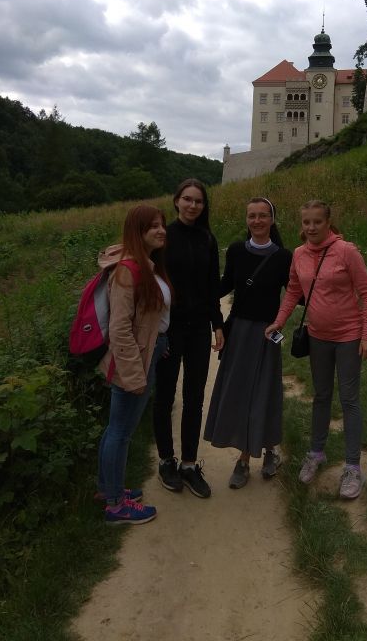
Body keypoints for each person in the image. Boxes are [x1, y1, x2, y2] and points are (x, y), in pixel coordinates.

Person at [265, 200, 367, 500]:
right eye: (307, 222)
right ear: (301, 224)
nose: (311, 227)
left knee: (349, 399)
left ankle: (352, 467)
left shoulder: (346, 251)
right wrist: (279, 321)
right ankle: (316, 453)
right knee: (321, 395)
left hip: (349, 335)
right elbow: (293, 291)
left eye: (317, 222)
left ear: (328, 222)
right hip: (318, 336)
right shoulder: (299, 254)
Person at [204, 197, 292, 489]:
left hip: (267, 333)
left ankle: (269, 450)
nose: (257, 221)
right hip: (239, 332)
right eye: (252, 216)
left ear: (272, 219)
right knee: (240, 392)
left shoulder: (284, 257)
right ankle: (243, 458)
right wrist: (195, 291)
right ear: (246, 219)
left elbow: (297, 295)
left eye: (263, 215)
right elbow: (224, 285)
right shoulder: (237, 251)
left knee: (265, 391)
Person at [97, 205, 172, 525]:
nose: (161, 230)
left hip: (145, 355)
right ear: (136, 231)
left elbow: (146, 320)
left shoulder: (147, 265)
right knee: (121, 432)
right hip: (133, 362)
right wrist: (134, 374)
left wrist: (159, 344)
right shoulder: (129, 270)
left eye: (162, 224)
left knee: (116, 429)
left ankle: (108, 488)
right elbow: (120, 330)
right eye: (152, 226)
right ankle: (116, 506)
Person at [153, 178, 224, 498]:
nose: (193, 205)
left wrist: (217, 324)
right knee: (165, 396)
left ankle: (189, 464)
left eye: (198, 200)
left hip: (197, 330)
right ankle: (166, 460)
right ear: (176, 201)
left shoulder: (208, 239)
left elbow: (212, 287)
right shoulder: (163, 237)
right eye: (188, 199)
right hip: (168, 329)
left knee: (194, 397)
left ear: (204, 205)